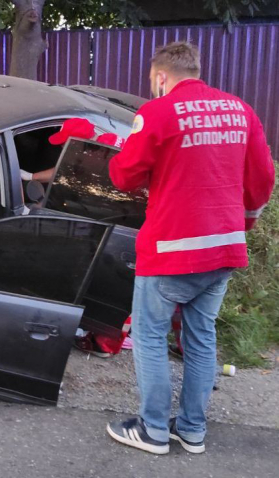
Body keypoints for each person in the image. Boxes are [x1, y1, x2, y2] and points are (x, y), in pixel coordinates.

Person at [105, 42, 275, 455]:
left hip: (171, 252)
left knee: (149, 336)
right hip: (223, 250)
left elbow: (125, 177)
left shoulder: (157, 112)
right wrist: (246, 221)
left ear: (161, 77)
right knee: (200, 339)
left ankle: (153, 431)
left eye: (152, 81)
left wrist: (119, 149)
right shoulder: (241, 110)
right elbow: (263, 178)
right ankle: (192, 431)